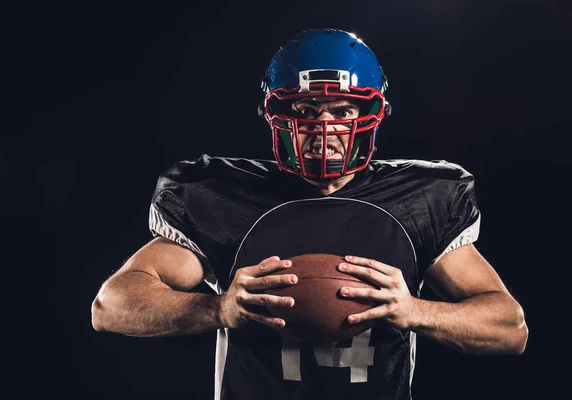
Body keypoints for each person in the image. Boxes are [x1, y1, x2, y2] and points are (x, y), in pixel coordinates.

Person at [91, 28, 528, 400]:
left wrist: (415, 311)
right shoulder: (224, 197)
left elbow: (510, 329)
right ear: (278, 116)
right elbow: (110, 306)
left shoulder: (415, 200)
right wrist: (218, 308)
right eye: (306, 111)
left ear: (370, 116)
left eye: (342, 111)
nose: (325, 129)